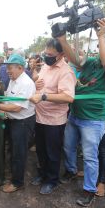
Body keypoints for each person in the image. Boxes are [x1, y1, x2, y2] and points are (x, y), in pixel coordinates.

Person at [59, 18, 105, 207]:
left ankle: (89, 189)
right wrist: (63, 40)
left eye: (103, 48)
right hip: (75, 116)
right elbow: (76, 61)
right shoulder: (92, 63)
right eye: (99, 46)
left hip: (93, 120)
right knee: (68, 147)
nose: (98, 50)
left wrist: (102, 35)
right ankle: (71, 170)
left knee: (89, 157)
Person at [0, 54, 36, 193]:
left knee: (19, 152)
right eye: (7, 68)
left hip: (22, 122)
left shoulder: (26, 83)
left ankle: (17, 183)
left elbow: (17, 107)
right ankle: (13, 174)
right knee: (13, 149)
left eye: (10, 68)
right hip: (13, 120)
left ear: (20, 68)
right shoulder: (14, 79)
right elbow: (8, 97)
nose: (7, 71)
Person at [28, 39, 76, 195]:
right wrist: (36, 86)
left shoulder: (65, 71)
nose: (46, 57)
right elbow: (41, 85)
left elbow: (68, 97)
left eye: (50, 54)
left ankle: (51, 180)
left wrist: (43, 96)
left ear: (61, 54)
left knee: (52, 152)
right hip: (39, 116)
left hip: (54, 120)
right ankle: (42, 174)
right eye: (45, 53)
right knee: (41, 150)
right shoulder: (46, 67)